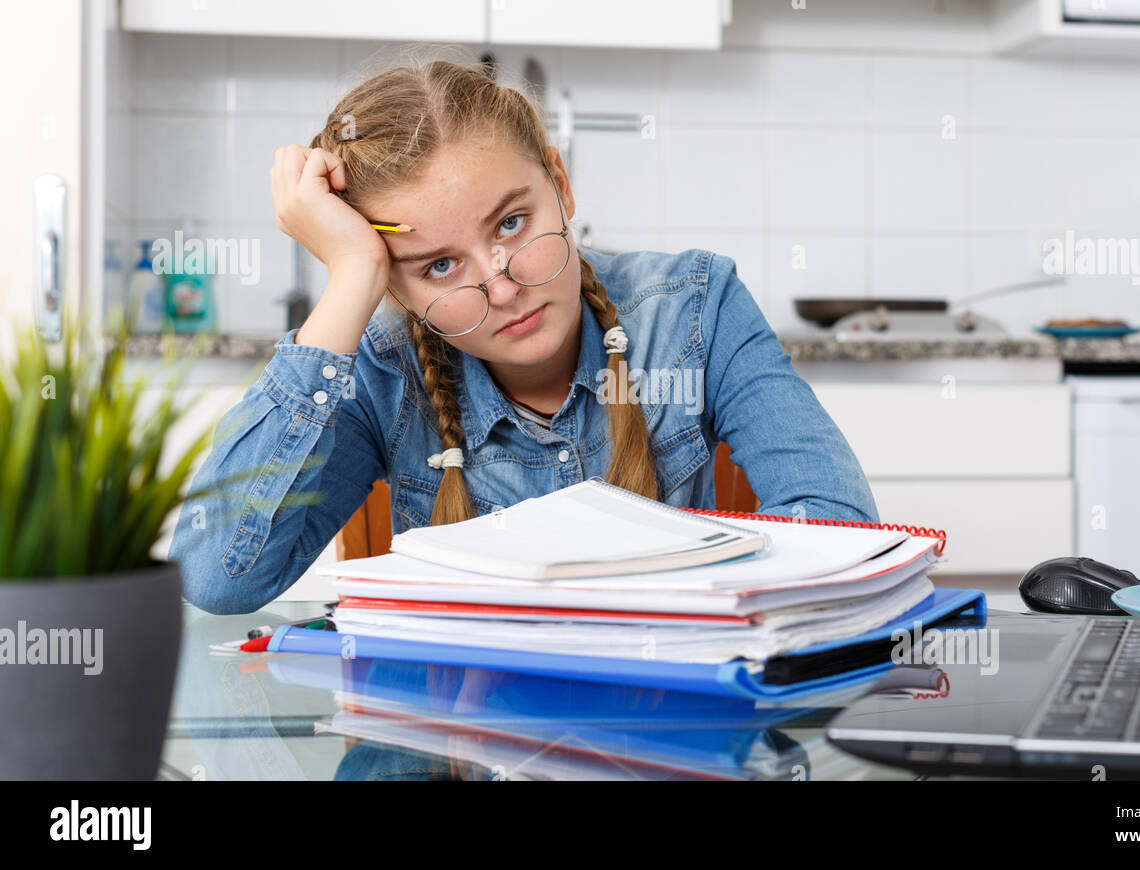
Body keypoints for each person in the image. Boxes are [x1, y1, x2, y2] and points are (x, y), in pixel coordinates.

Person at [170, 57, 876, 615]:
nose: (502, 288)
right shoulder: (381, 368)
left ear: (560, 184)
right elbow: (217, 580)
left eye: (511, 223)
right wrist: (351, 276)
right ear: (394, 284)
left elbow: (836, 525)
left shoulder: (696, 304)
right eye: (439, 266)